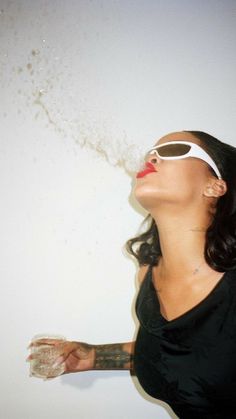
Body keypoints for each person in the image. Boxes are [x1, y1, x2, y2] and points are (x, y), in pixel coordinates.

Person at [27, 131, 236, 418]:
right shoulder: (147, 277)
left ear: (215, 186)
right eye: (151, 151)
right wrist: (94, 357)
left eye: (174, 149)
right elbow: (190, 358)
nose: (152, 156)